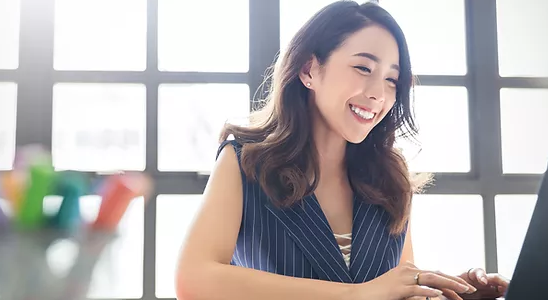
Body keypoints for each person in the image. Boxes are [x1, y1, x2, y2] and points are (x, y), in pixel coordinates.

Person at [175, 1, 510, 299]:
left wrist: (450, 291)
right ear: (309, 70)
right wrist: (358, 295)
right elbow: (193, 280)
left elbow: (395, 289)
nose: (378, 93)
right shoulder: (246, 161)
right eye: (363, 68)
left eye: (392, 80)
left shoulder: (391, 180)